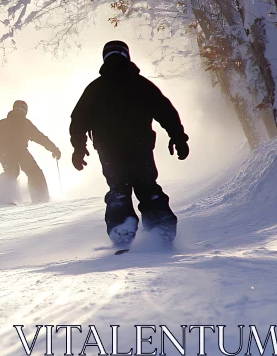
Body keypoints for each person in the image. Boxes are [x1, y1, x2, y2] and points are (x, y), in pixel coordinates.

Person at [69, 41, 189, 247]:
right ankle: (161, 227)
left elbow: (78, 121)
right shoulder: (141, 84)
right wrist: (178, 137)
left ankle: (121, 227)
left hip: (109, 149)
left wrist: (79, 148)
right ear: (127, 56)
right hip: (140, 145)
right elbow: (166, 111)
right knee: (146, 185)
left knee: (119, 187)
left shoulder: (95, 88)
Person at [0, 100, 60, 204]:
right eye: (18, 109)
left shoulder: (26, 124)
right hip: (5, 151)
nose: (19, 111)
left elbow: (40, 137)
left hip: (21, 151)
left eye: (22, 109)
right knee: (12, 171)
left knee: (35, 172)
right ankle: (4, 199)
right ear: (14, 109)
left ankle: (40, 197)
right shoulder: (4, 122)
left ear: (25, 111)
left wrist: (53, 149)